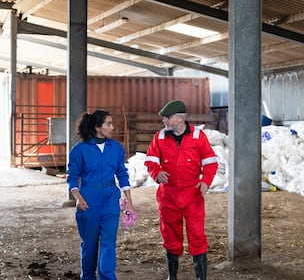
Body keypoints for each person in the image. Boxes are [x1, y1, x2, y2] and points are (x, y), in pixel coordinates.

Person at [144, 100, 218, 280]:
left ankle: (201, 278)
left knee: (197, 236)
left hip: (193, 196)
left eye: (167, 118)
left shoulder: (198, 136)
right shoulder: (160, 137)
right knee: (170, 236)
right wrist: (157, 172)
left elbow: (210, 162)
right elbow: (150, 160)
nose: (164, 122)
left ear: (179, 118)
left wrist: (206, 181)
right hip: (168, 197)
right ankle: (172, 277)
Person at [66, 110, 135, 280]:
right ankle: (88, 276)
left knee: (108, 242)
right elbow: (72, 177)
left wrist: (129, 201)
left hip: (111, 198)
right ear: (97, 127)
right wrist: (78, 198)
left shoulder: (116, 148)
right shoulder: (79, 150)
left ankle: (107, 277)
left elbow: (122, 174)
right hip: (88, 199)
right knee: (90, 245)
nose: (112, 127)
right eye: (108, 124)